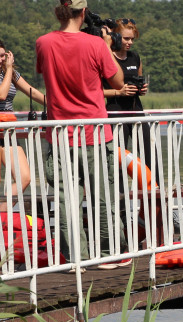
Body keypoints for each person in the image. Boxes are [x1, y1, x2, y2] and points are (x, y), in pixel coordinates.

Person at [36, 0, 126, 264]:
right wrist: (107, 47)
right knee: (101, 198)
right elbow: (118, 82)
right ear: (83, 12)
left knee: (66, 202)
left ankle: (75, 257)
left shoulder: (44, 43)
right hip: (94, 133)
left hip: (60, 133)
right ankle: (109, 255)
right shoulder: (96, 44)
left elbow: (49, 78)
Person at [0, 37, 47, 197]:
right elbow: (0, 94)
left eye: (2, 56)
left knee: (24, 177)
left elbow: (31, 91)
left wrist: (54, 104)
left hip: (8, 127)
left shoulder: (10, 73)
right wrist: (9, 69)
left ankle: (3, 214)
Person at [104, 18, 152, 170]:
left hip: (135, 107)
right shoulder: (106, 57)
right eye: (126, 38)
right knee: (118, 153)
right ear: (116, 37)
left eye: (132, 39)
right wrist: (119, 92)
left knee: (148, 150)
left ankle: (154, 187)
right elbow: (95, 92)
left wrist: (142, 89)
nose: (130, 42)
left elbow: (138, 79)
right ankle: (119, 191)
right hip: (115, 109)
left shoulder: (135, 57)